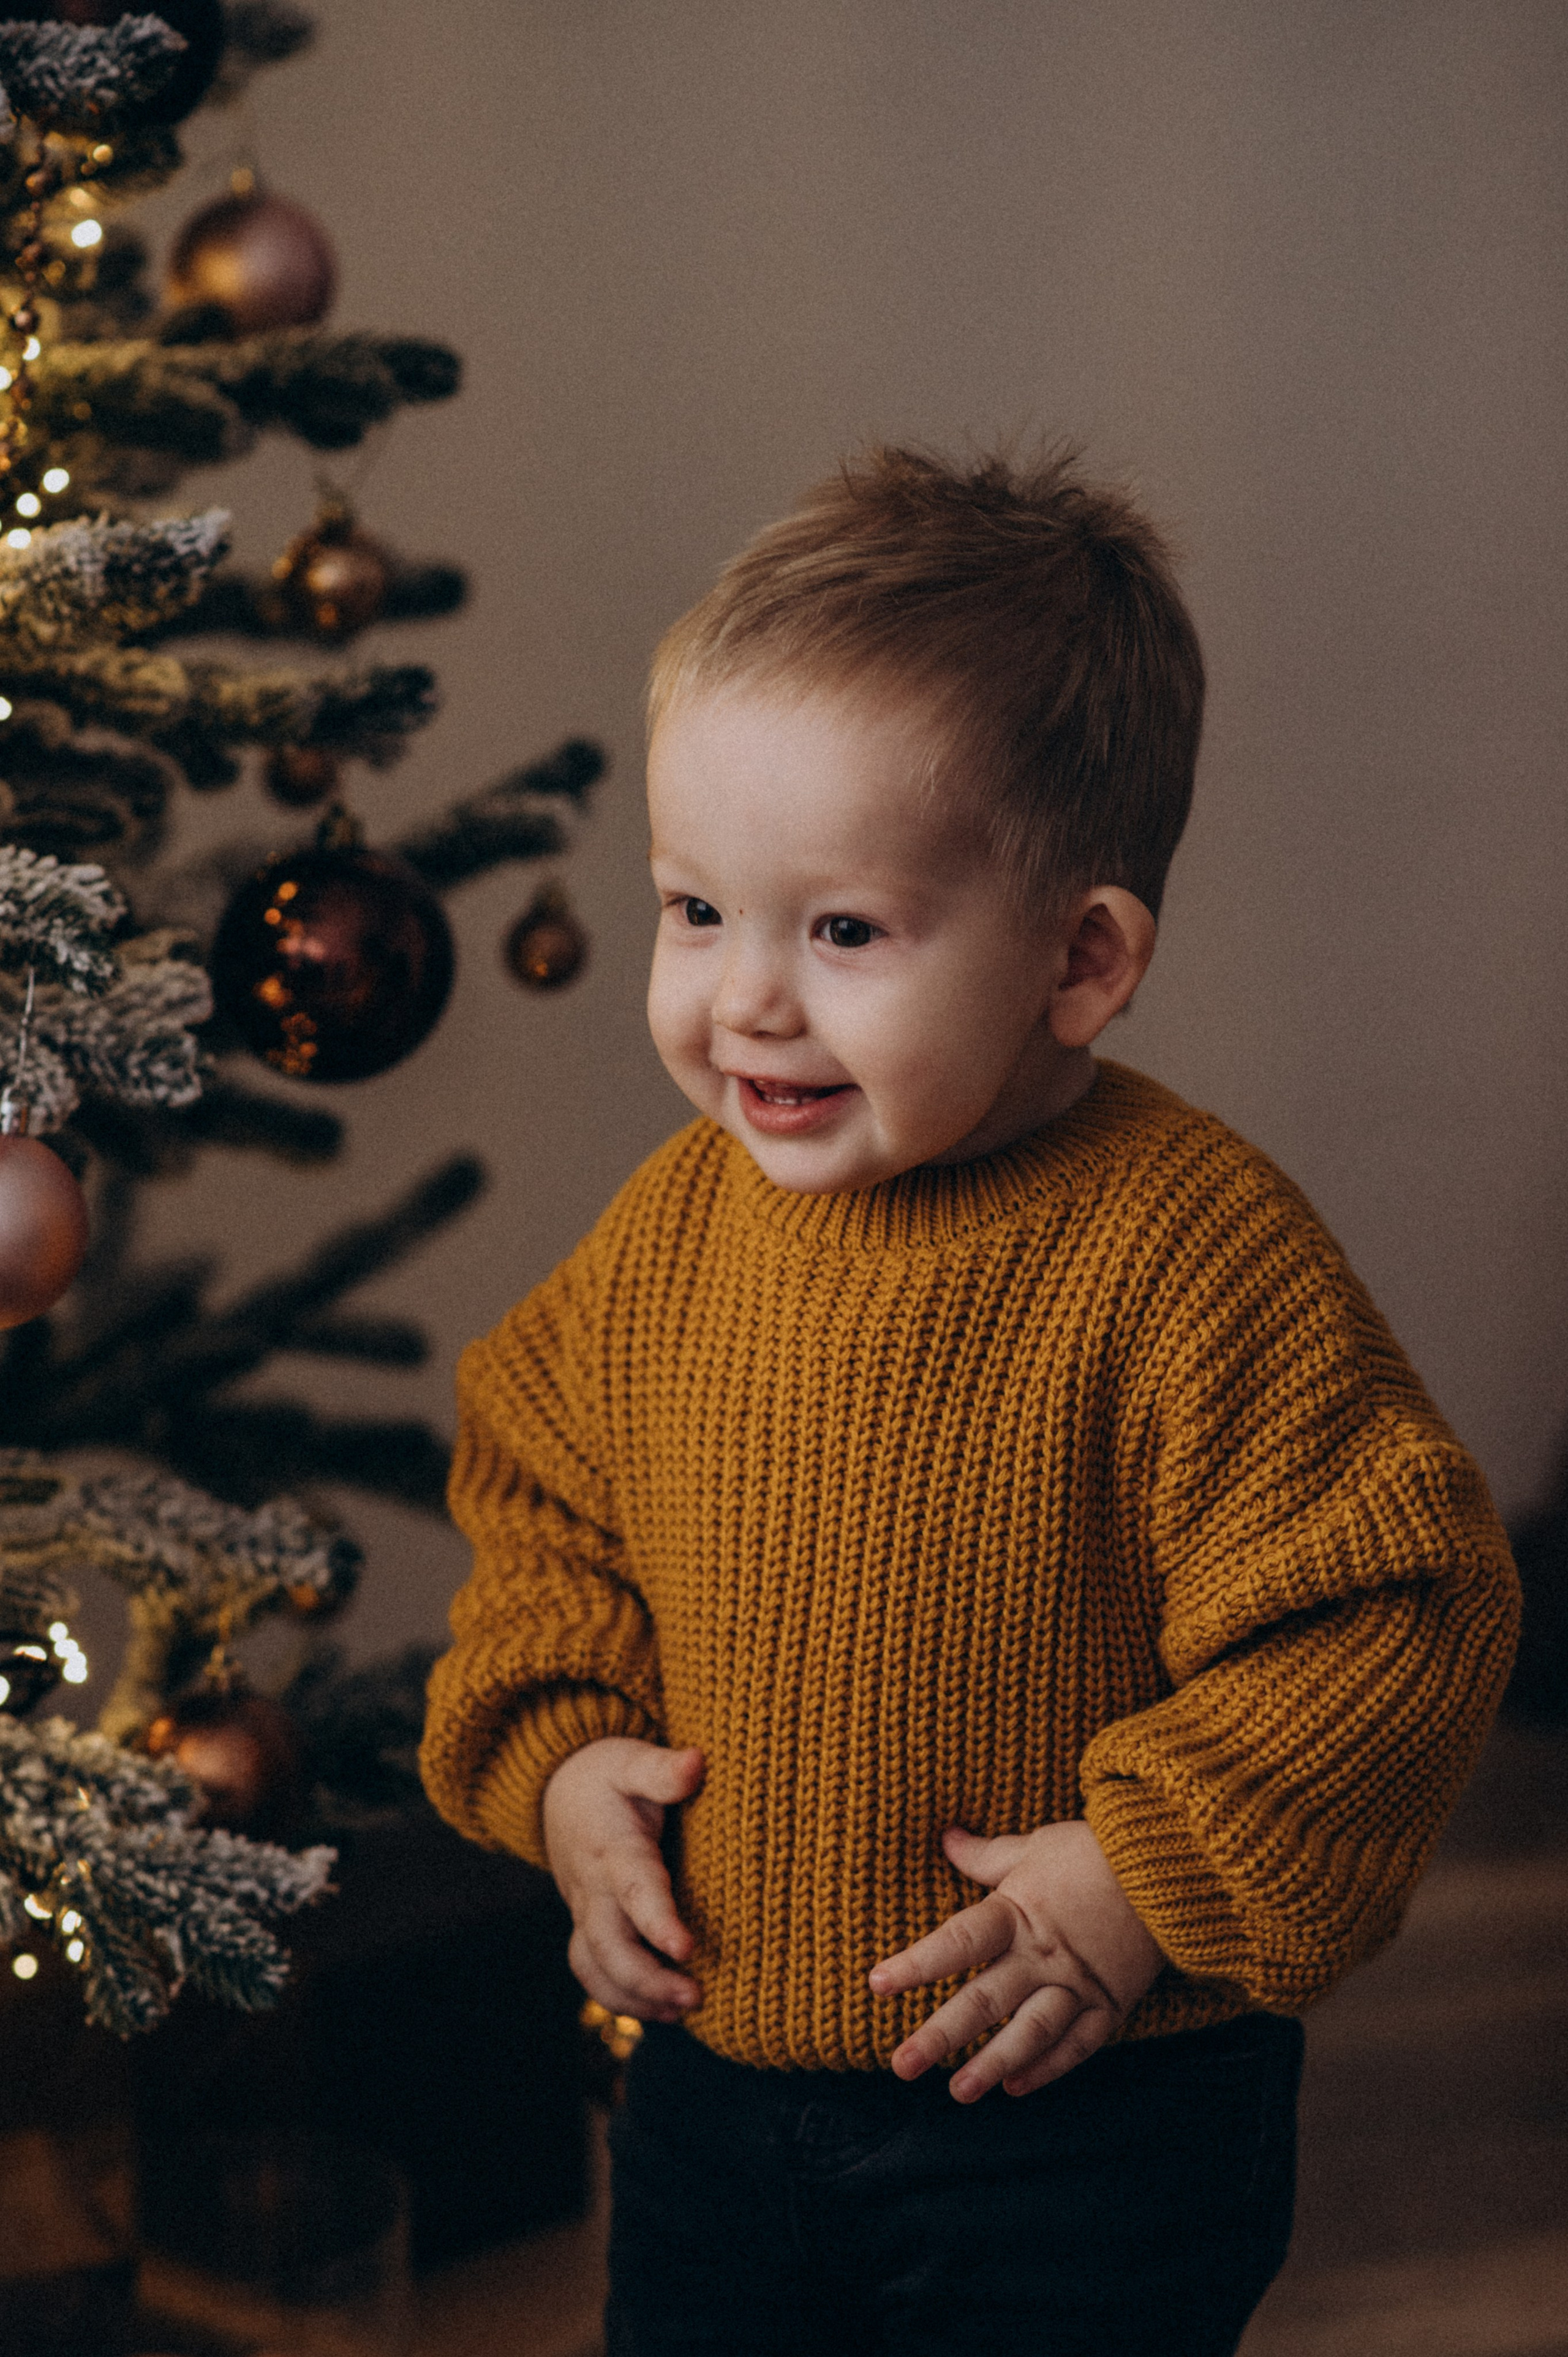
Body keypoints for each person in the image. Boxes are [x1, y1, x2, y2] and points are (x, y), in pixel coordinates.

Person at [420, 447, 1519, 2355]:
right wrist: (570, 1751)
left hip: (1083, 2118)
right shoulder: (676, 1229)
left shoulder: (1186, 1254)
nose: (745, 1000)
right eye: (696, 912)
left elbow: (1400, 1607)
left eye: (842, 932)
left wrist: (1148, 1874)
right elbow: (545, 1497)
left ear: (1080, 960)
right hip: (714, 2084)